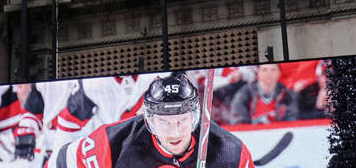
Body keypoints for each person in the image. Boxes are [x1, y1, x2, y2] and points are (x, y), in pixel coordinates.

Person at [48, 74, 254, 167]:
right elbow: (58, 163)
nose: (174, 132)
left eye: (182, 120)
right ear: (149, 121)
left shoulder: (230, 153)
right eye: (164, 122)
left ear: (195, 117)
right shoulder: (113, 143)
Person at [230, 63, 298, 124]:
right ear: (258, 73)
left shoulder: (286, 93)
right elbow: (237, 116)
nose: (269, 73)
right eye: (265, 70)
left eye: (273, 70)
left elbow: (292, 117)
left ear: (279, 73)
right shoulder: (246, 92)